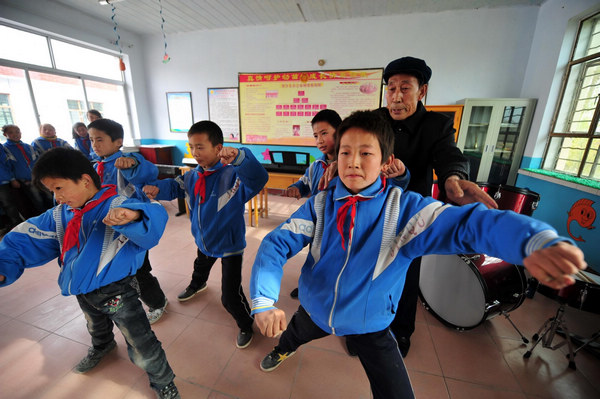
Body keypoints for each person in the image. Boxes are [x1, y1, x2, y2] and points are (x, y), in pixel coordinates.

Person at [249, 110, 586, 399]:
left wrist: (532, 240)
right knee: (294, 333)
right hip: (316, 308)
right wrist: (263, 300)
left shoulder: (405, 212)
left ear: (384, 162)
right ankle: (283, 349)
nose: (353, 162)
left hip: (371, 323)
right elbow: (277, 244)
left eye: (366, 153)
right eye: (345, 152)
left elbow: (469, 224)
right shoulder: (319, 206)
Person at [0, 147, 181, 399]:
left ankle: (163, 382)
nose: (57, 196)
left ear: (85, 180)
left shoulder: (119, 205)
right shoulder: (59, 215)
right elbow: (23, 239)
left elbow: (154, 217)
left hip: (118, 292)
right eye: (52, 191)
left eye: (59, 188)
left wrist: (134, 216)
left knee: (141, 342)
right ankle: (103, 346)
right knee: (95, 325)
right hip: (82, 290)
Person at [378, 56, 498, 357]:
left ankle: (401, 334)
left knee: (405, 278)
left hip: (410, 216)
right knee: (370, 273)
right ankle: (367, 330)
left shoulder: (436, 125)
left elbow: (449, 155)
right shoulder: (375, 120)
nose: (396, 96)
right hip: (374, 211)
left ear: (422, 91)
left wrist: (454, 178)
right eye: (391, 88)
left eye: (405, 88)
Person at [143, 120, 268, 349]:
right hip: (204, 239)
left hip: (229, 244)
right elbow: (174, 187)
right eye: (191, 146)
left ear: (218, 148)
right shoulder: (192, 176)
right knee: (200, 266)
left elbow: (258, 179)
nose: (195, 152)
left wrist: (241, 157)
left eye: (200, 147)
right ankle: (197, 284)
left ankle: (245, 324)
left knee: (230, 296)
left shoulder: (233, 176)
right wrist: (157, 189)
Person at [286, 109, 409, 302]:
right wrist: (296, 188)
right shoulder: (316, 165)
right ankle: (309, 287)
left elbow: (394, 186)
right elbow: (305, 183)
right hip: (320, 221)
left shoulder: (356, 166)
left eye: (324, 133)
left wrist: (402, 174)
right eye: (316, 135)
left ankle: (340, 297)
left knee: (341, 260)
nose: (319, 140)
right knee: (314, 256)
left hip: (347, 224)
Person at [88, 118, 168, 324]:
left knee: (139, 270)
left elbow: (148, 171)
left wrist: (133, 162)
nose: (95, 144)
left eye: (99, 139)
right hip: (109, 227)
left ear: (118, 142)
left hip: (132, 227)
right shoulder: (95, 166)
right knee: (121, 269)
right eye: (91, 140)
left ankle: (158, 302)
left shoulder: (127, 162)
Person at [2, 124, 51, 217]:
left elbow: (38, 160)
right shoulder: (5, 149)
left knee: (49, 196)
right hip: (25, 180)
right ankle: (43, 218)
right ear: (5, 135)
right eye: (11, 132)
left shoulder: (28, 146)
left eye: (17, 131)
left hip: (38, 177)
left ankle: (55, 215)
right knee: (37, 200)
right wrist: (12, 179)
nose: (15, 134)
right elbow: (7, 166)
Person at [0, 142, 23, 232]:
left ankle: (17, 225)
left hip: (2, 180)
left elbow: (6, 163)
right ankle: (4, 226)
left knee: (8, 204)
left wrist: (12, 178)